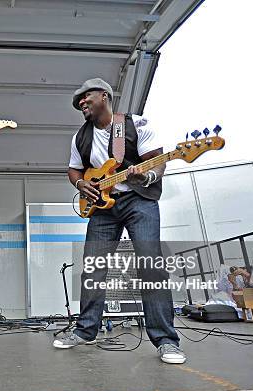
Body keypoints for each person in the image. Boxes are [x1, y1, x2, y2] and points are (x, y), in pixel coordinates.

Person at [52, 78, 186, 364]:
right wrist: (80, 186)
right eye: (79, 102)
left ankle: (166, 340)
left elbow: (158, 160)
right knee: (93, 268)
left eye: (86, 97)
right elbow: (74, 170)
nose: (82, 103)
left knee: (151, 265)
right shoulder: (80, 137)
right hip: (102, 207)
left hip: (138, 200)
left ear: (104, 96)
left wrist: (146, 175)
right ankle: (85, 330)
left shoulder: (135, 124)